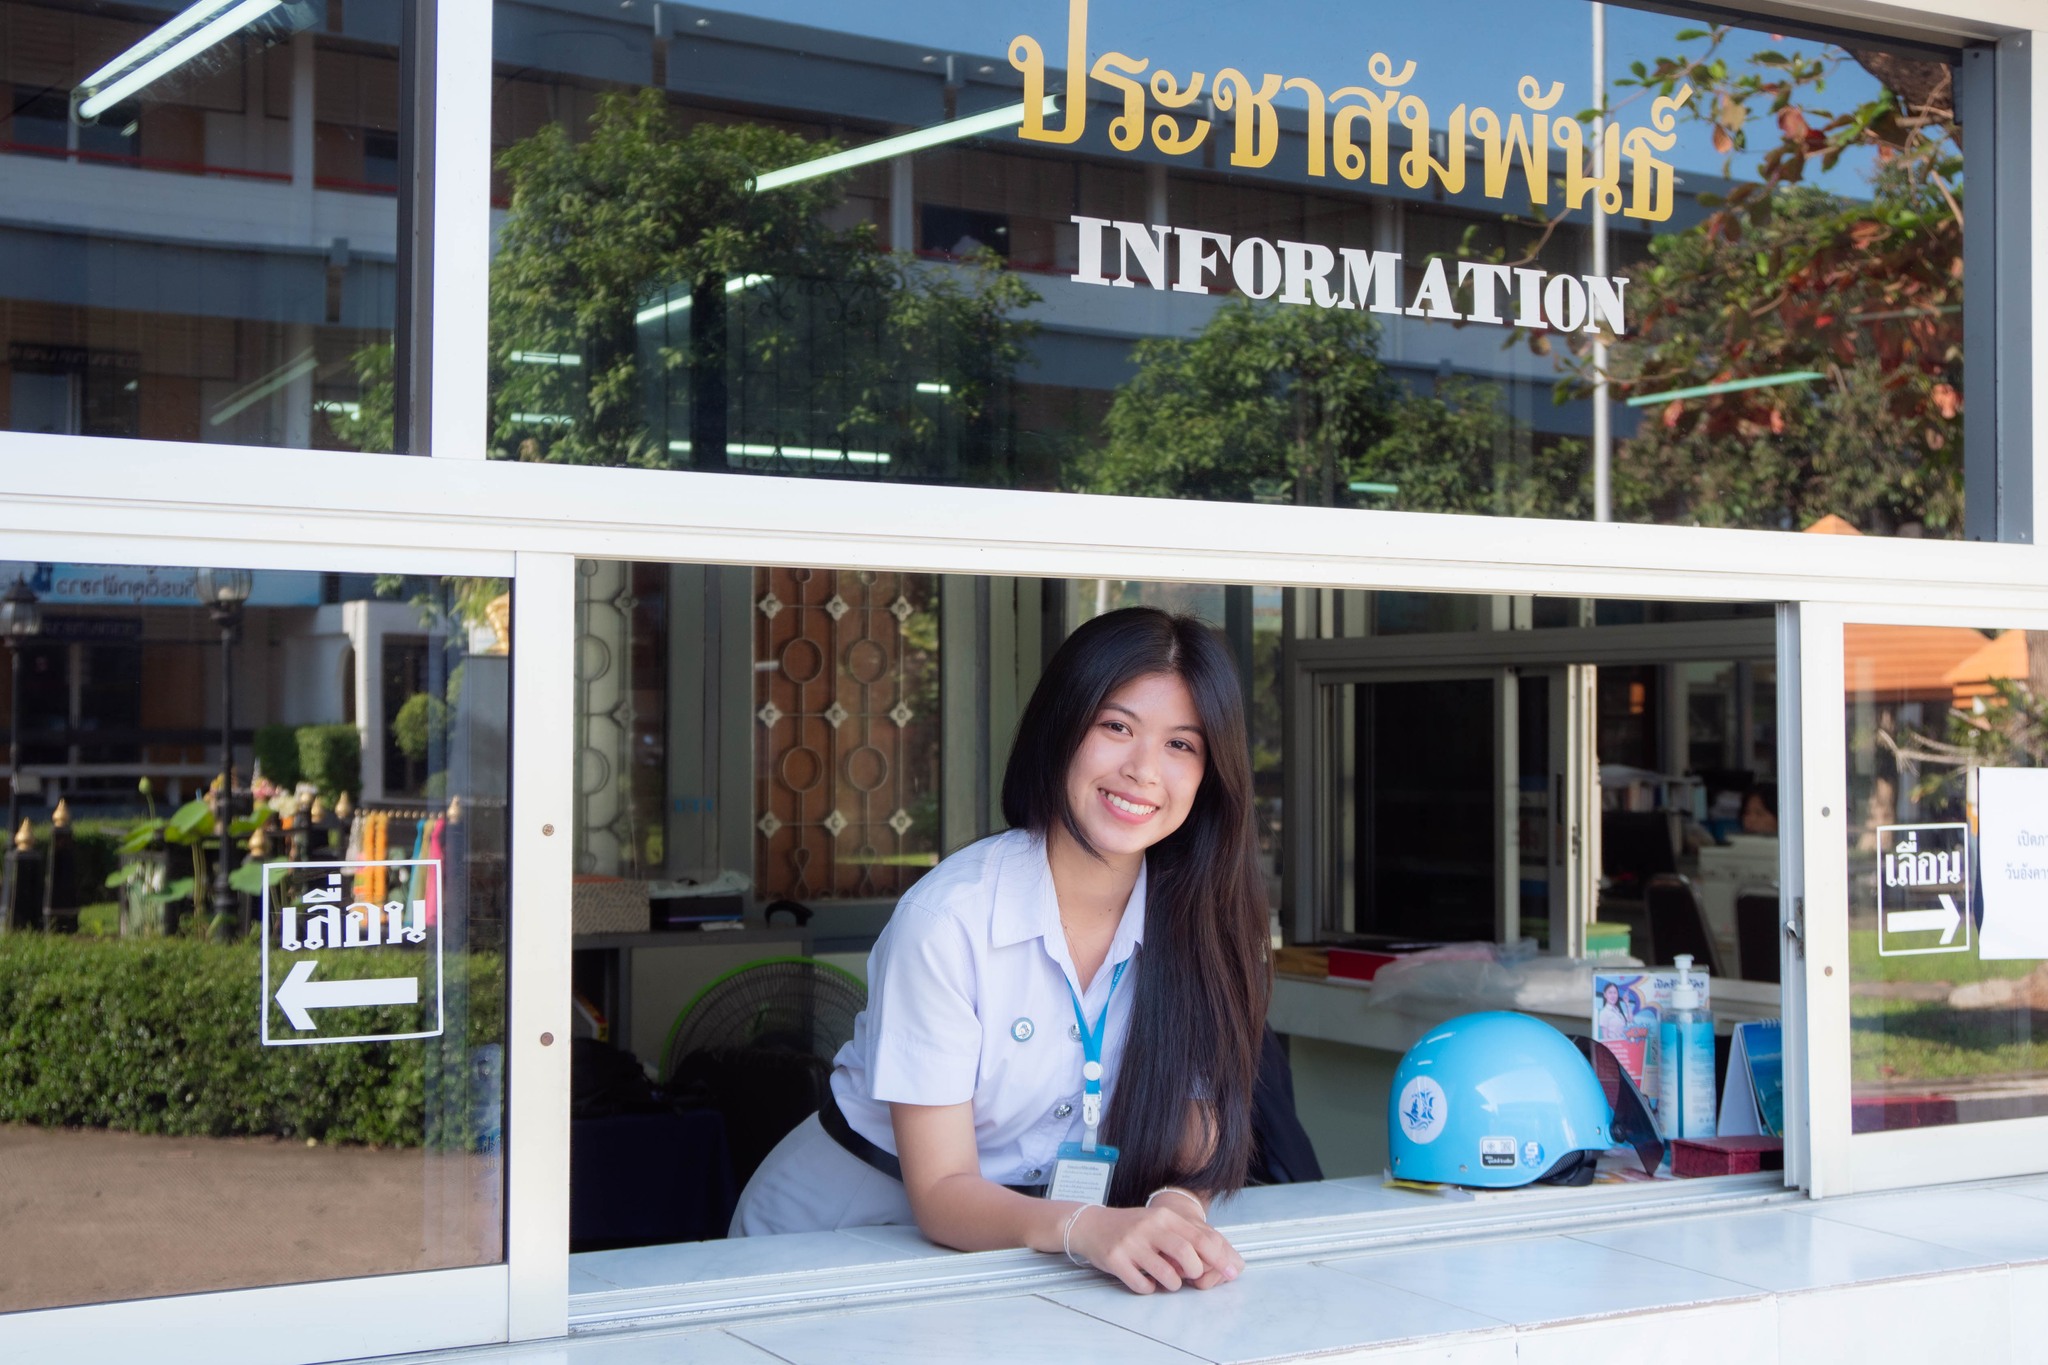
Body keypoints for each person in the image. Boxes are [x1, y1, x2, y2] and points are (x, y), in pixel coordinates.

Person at [731, 607, 1271, 1294]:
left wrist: (1175, 1205)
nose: (1143, 770)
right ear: (1062, 727)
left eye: (1181, 745)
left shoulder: (1203, 926)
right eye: (1116, 726)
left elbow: (1194, 1141)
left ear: (1210, 774)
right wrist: (1087, 1227)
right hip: (835, 1236)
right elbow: (942, 1191)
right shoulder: (949, 918)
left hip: (1025, 1247)